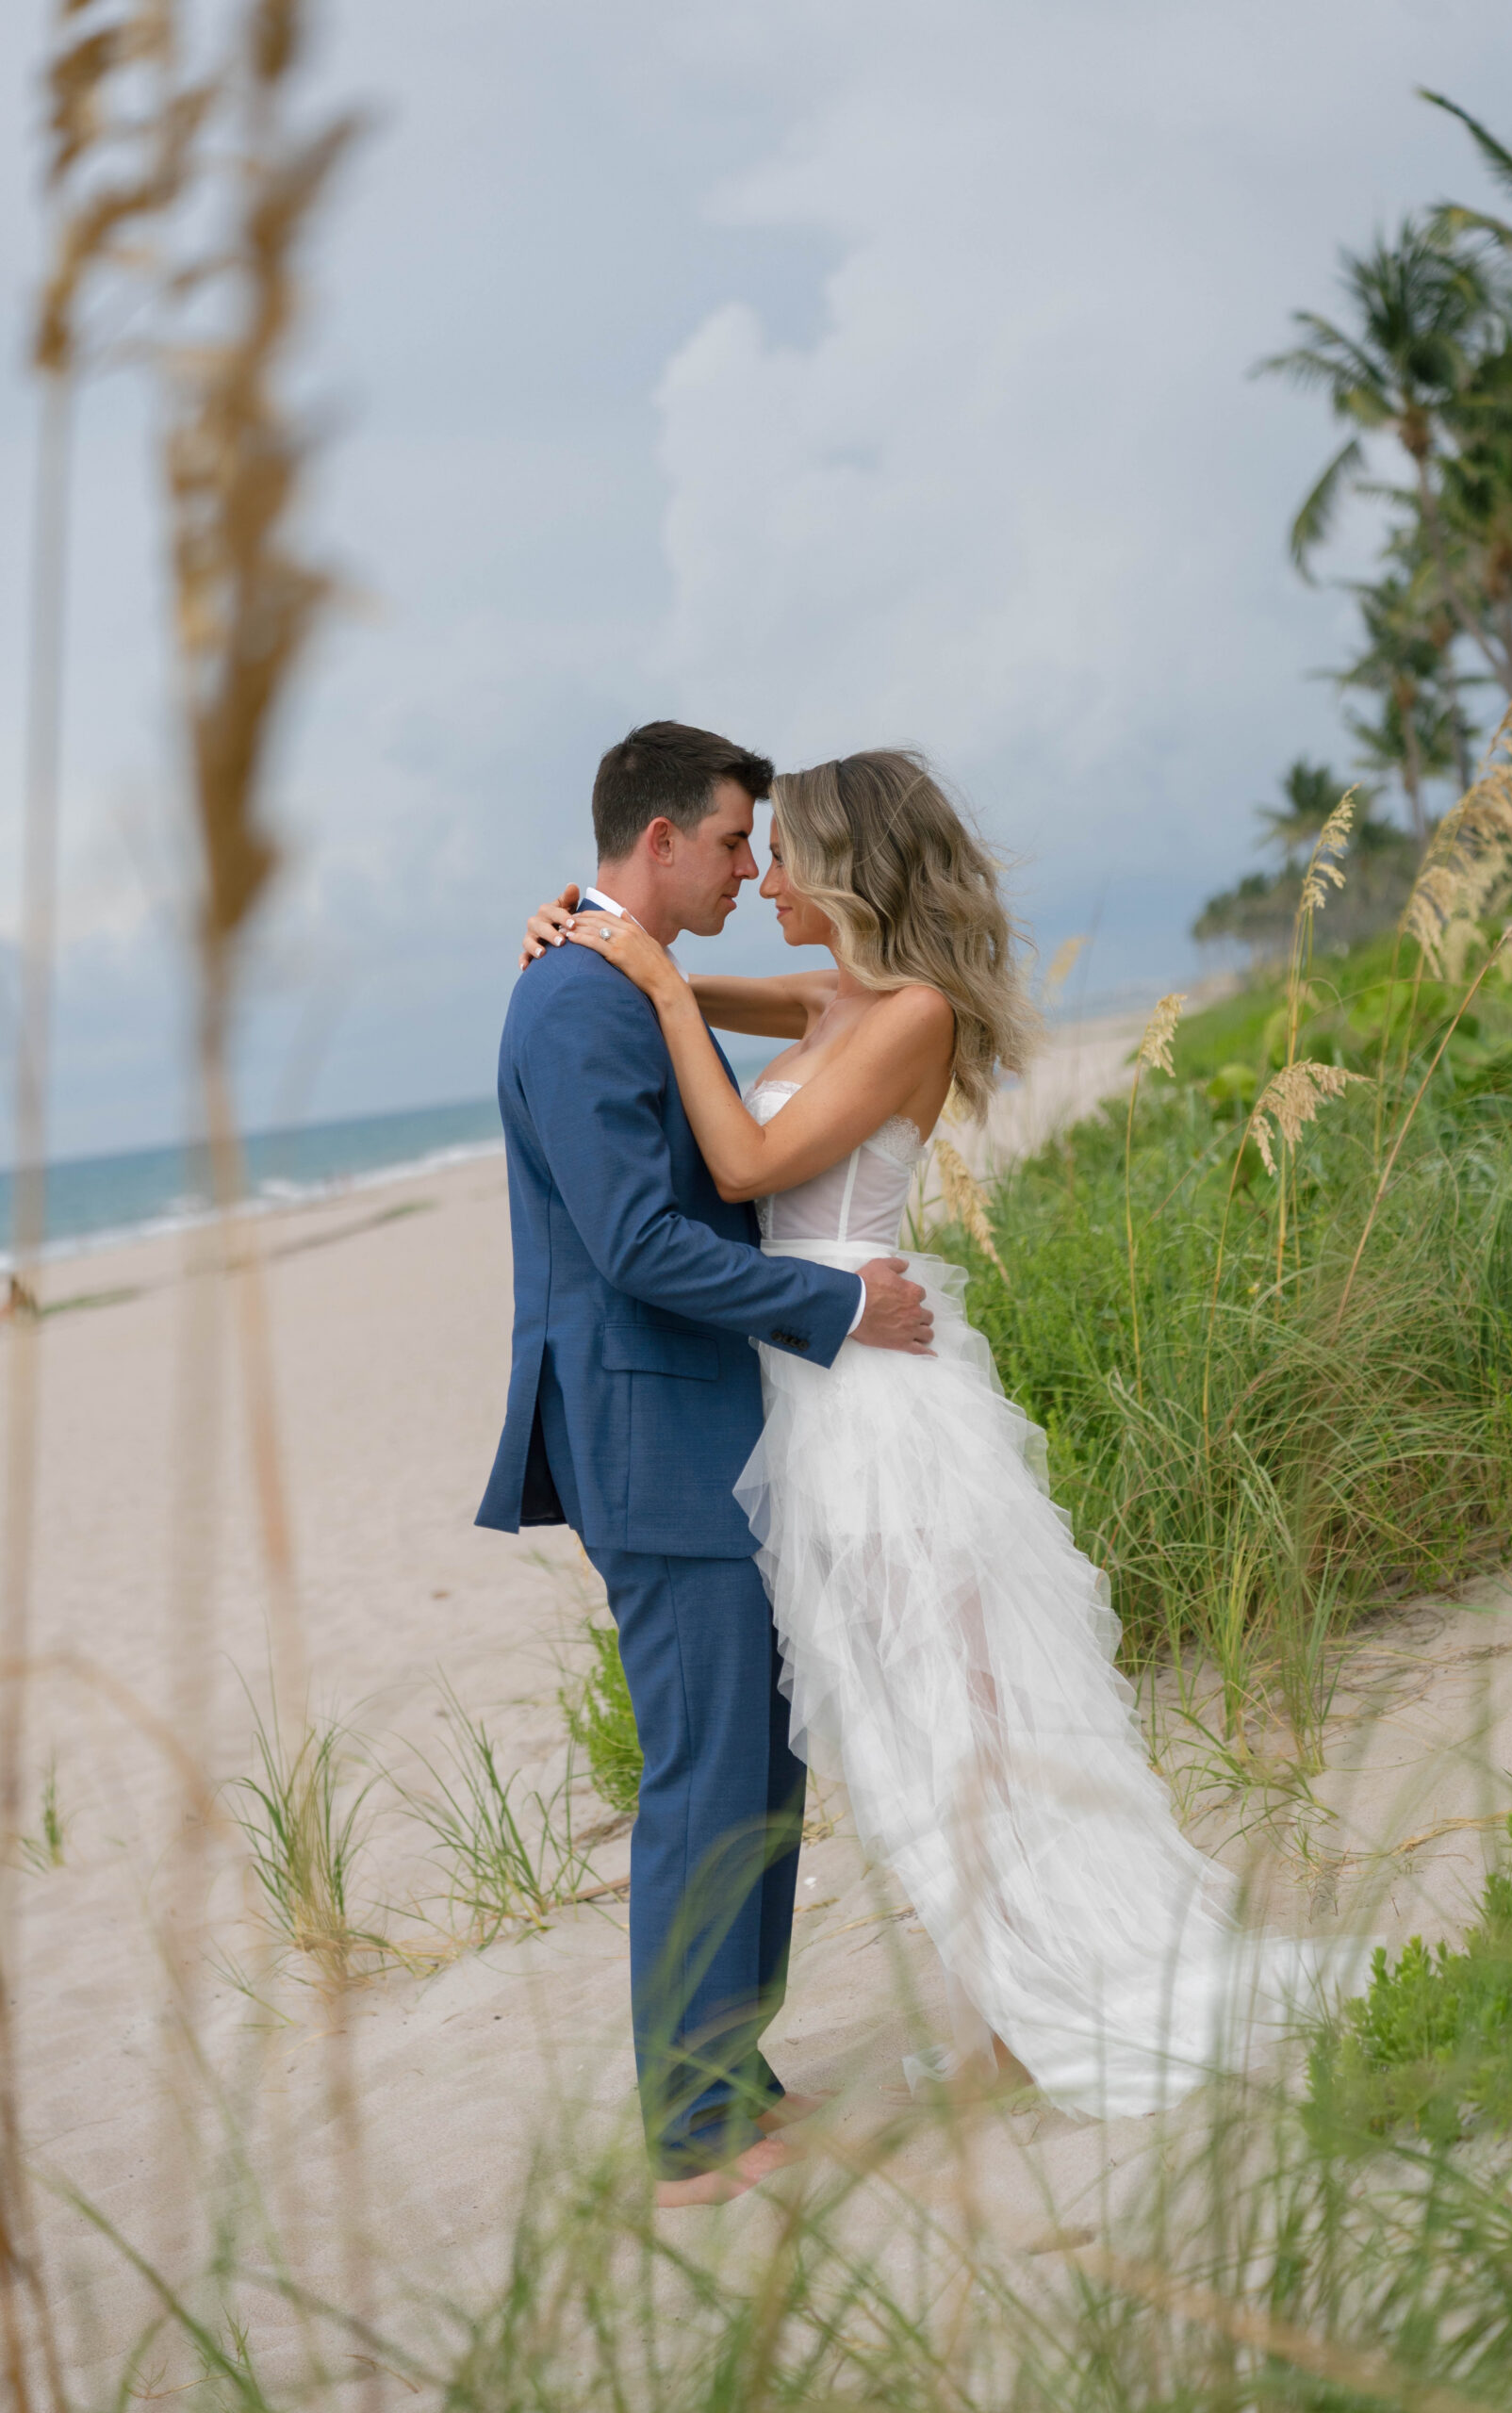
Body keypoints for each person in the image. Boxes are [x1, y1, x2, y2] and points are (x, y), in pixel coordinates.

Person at [523, 747, 1339, 2128]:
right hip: (809, 1391)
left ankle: (1049, 1996)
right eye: (746, 849)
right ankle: (1014, 2001)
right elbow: (694, 987)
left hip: (876, 1394)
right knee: (906, 1730)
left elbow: (738, 1168)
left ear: (845, 869)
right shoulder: (833, 995)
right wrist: (607, 940)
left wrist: (652, 975)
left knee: (955, 1718)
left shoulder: (909, 1015)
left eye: (780, 855)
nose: (762, 874)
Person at [477, 722, 935, 2208]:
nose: (755, 865)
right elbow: (638, 1244)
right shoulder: (576, 1006)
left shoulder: (623, 980)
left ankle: (732, 2070)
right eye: (738, 841)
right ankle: (689, 2132)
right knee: (702, 1775)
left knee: (761, 1764)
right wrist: (835, 1303)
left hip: (711, 1427)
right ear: (660, 840)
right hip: (647, 1431)